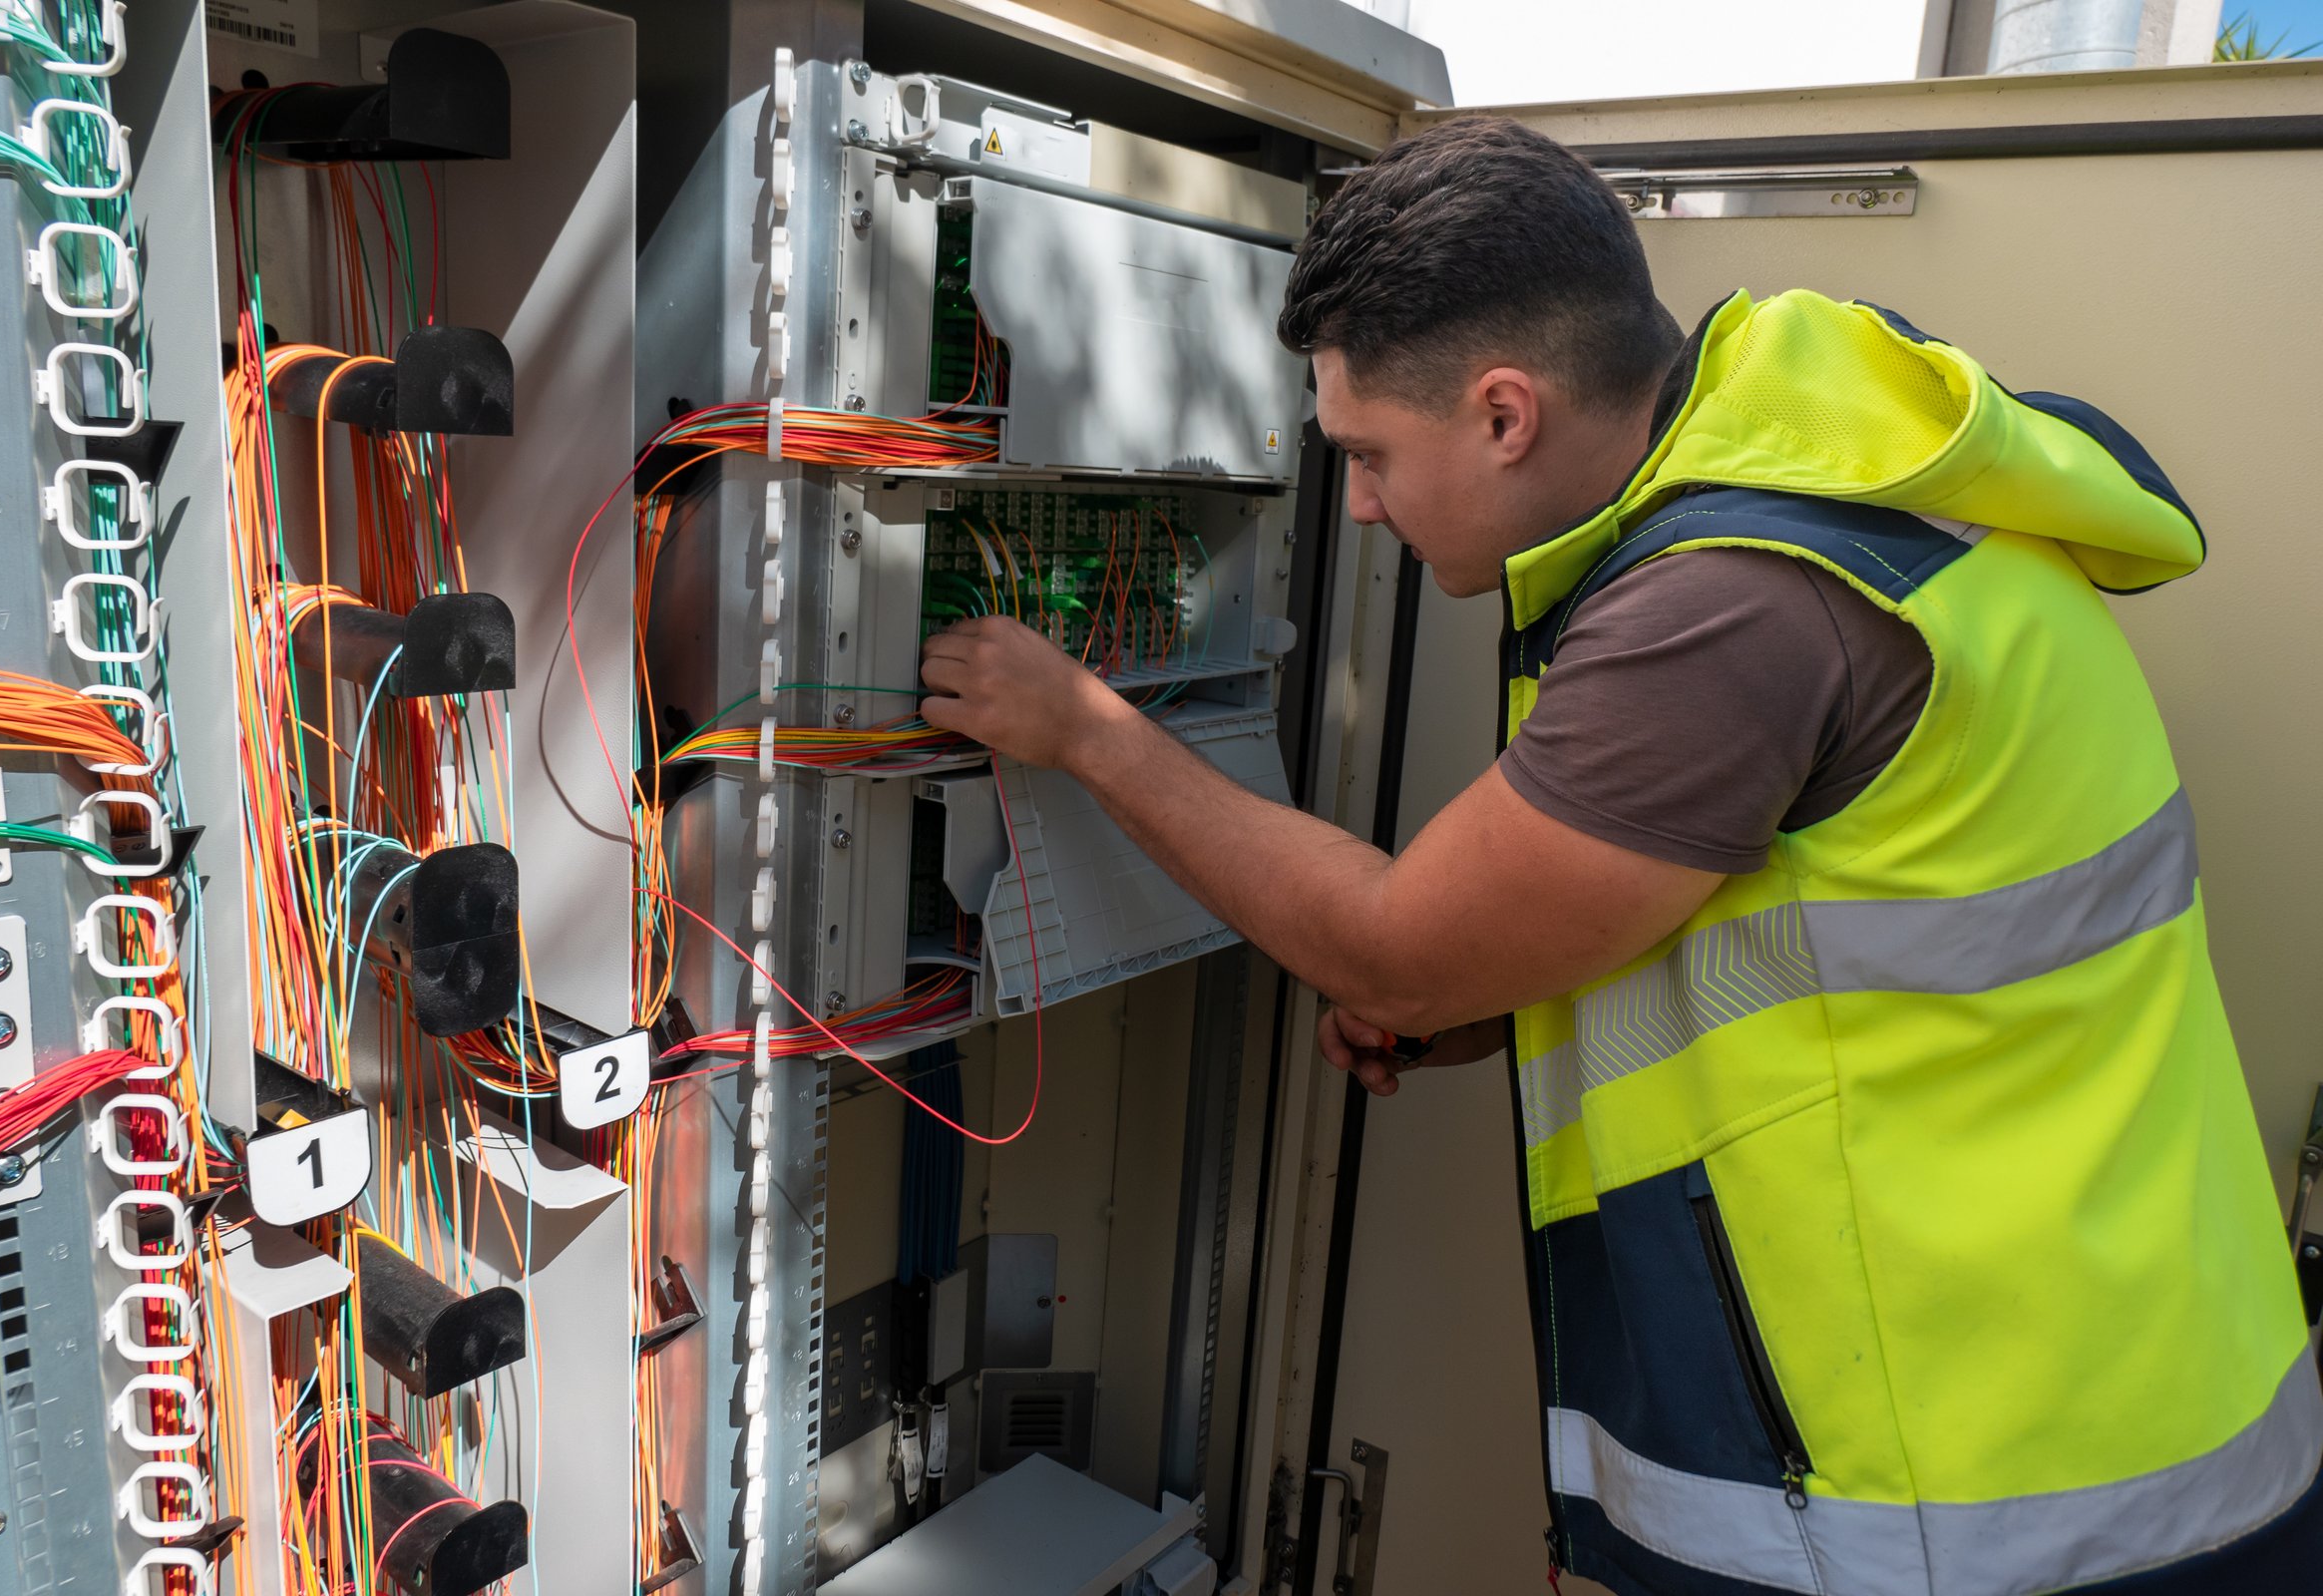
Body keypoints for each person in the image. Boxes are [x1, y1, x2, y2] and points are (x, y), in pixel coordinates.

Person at [917, 115, 2319, 1595]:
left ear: (1507, 413)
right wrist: (1510, 988)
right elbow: (1825, 939)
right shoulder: (1823, 491)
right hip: (2121, 1409)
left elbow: (1389, 944)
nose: (1368, 508)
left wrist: (1081, 726)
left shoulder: (1729, 609)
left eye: (1374, 457)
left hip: (1988, 1504)